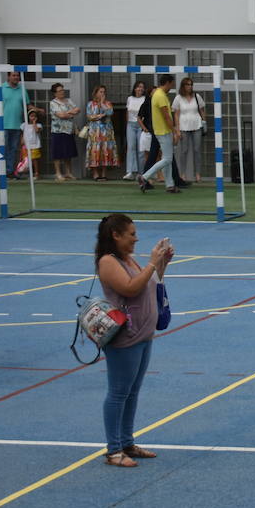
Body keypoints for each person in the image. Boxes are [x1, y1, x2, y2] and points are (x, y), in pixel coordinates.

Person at [95, 213, 174, 467]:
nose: (135, 239)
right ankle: (114, 450)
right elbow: (130, 288)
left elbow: (150, 283)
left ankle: (127, 442)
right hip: (125, 338)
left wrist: (161, 264)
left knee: (132, 392)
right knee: (118, 392)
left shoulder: (127, 259)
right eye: (131, 234)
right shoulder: (108, 262)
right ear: (115, 235)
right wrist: (151, 263)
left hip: (142, 333)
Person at [138, 74, 178, 193]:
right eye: (172, 84)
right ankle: (144, 177)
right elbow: (166, 116)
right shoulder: (160, 96)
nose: (172, 86)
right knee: (167, 159)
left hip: (161, 130)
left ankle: (170, 185)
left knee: (167, 159)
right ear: (168, 83)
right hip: (163, 131)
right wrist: (174, 130)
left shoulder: (158, 94)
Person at [172, 77, 206, 185]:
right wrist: (177, 129)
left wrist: (204, 122)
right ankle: (183, 174)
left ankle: (198, 174)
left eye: (191, 84)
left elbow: (202, 110)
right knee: (184, 151)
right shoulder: (178, 98)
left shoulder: (197, 96)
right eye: (187, 84)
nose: (189, 87)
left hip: (197, 125)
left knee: (197, 150)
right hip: (183, 126)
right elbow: (176, 114)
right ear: (183, 86)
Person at [0, 70, 30, 180]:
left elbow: (27, 105)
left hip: (17, 125)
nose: (16, 77)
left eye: (17, 75)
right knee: (2, 149)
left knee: (13, 149)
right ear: (8, 77)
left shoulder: (22, 89)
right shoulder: (1, 88)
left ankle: (10, 171)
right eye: (14, 75)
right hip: (3, 125)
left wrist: (38, 110)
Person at [84, 84, 118, 181]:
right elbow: (89, 116)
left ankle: (104, 173)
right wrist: (99, 116)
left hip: (106, 131)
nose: (103, 94)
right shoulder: (90, 104)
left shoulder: (108, 103)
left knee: (105, 150)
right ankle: (95, 173)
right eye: (100, 92)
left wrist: (102, 103)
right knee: (95, 150)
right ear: (95, 93)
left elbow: (110, 112)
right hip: (95, 131)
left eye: (104, 92)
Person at [48, 82, 81, 182]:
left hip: (69, 130)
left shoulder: (68, 100)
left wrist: (67, 113)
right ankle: (58, 173)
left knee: (68, 152)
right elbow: (60, 115)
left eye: (62, 90)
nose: (62, 92)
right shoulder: (53, 103)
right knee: (57, 153)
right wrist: (70, 112)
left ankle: (68, 173)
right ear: (55, 93)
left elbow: (77, 110)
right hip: (57, 131)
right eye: (60, 91)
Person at [122, 80, 148, 180]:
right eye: (138, 87)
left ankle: (141, 172)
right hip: (131, 125)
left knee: (141, 149)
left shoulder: (145, 99)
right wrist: (127, 124)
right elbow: (127, 112)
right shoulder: (130, 98)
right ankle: (130, 171)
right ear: (135, 88)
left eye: (142, 87)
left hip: (141, 125)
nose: (140, 89)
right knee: (131, 147)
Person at [22, 107, 43, 178]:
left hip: (35, 145)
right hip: (26, 145)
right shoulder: (24, 125)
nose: (33, 117)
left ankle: (36, 173)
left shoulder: (39, 125)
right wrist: (22, 140)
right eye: (31, 116)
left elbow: (37, 131)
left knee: (35, 159)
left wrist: (34, 123)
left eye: (35, 116)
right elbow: (22, 133)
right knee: (27, 160)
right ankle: (29, 173)